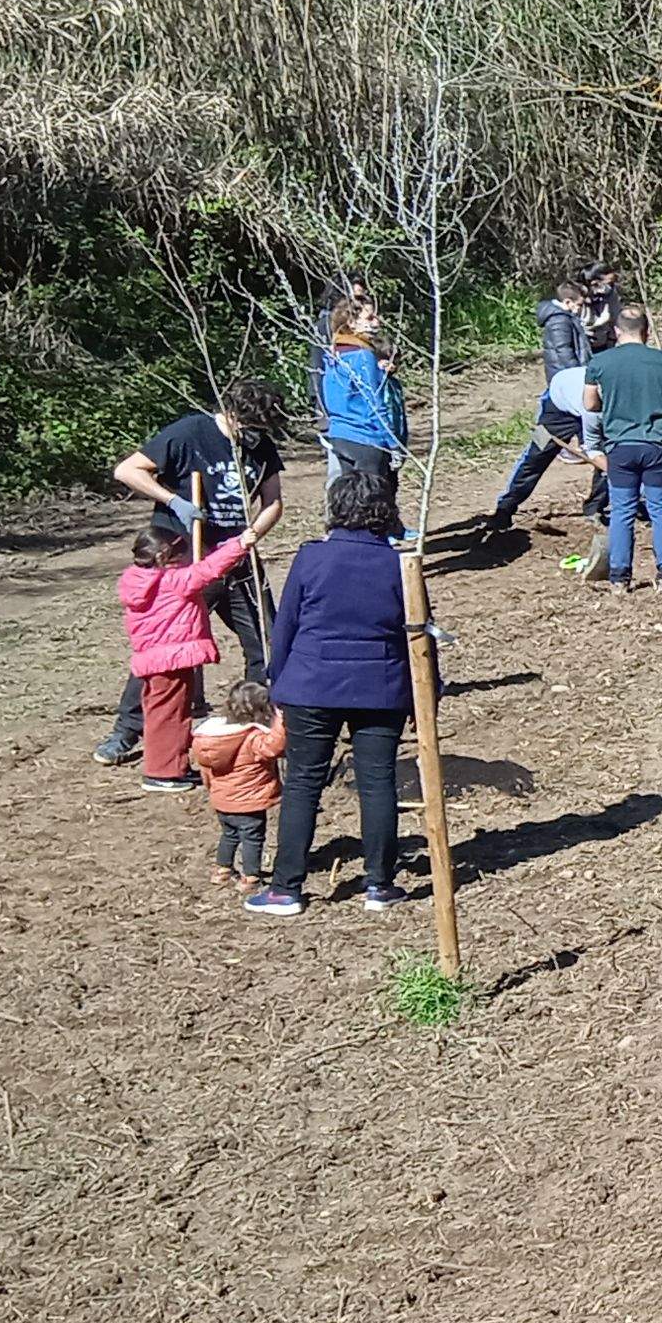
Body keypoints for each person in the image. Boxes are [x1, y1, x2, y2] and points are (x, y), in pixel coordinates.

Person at [249, 471, 419, 916]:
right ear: (385, 511)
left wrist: (277, 682)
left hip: (311, 683)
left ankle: (286, 888)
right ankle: (380, 886)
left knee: (304, 782)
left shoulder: (311, 559)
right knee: (378, 782)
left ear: (336, 509)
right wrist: (427, 694)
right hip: (381, 686)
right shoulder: (400, 564)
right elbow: (419, 636)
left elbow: (284, 627)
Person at [92, 388, 288, 766]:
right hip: (182, 560)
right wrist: (174, 501)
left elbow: (273, 500)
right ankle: (126, 731)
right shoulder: (190, 432)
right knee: (166, 650)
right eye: (248, 427)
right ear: (231, 414)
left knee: (267, 641)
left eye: (261, 429)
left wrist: (250, 537)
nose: (254, 436)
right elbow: (127, 470)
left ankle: (259, 723)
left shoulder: (261, 446)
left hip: (235, 560)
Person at [116, 516, 265, 792]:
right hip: (172, 661)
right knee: (171, 716)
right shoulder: (173, 581)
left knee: (160, 714)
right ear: (165, 556)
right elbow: (209, 570)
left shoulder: (136, 581)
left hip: (154, 659)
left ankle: (171, 766)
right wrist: (240, 543)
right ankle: (164, 772)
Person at [481, 276, 604, 536]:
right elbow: (564, 361)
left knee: (603, 452)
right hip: (563, 400)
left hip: (582, 394)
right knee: (538, 453)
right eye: (579, 304)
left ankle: (596, 507)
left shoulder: (568, 319)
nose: (582, 308)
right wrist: (583, 387)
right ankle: (506, 508)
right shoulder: (559, 322)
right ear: (567, 301)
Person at [579, 304, 662, 589]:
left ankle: (619, 577)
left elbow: (589, 403)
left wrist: (613, 405)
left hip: (620, 444)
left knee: (622, 510)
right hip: (657, 443)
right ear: (647, 331)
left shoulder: (600, 363)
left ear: (616, 332)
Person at [188, 681, 286, 889]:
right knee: (252, 837)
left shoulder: (211, 738)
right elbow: (275, 747)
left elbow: (206, 771)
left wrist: (212, 790)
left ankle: (222, 870)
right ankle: (250, 876)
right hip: (249, 801)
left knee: (230, 834)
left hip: (222, 799)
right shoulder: (251, 738)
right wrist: (281, 719)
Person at [317, 294, 408, 486]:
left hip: (340, 436)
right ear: (351, 323)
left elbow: (329, 398)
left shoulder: (333, 355)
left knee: (350, 498)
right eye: (369, 318)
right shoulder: (363, 356)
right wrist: (394, 444)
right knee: (372, 501)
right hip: (366, 438)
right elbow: (376, 404)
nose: (376, 322)